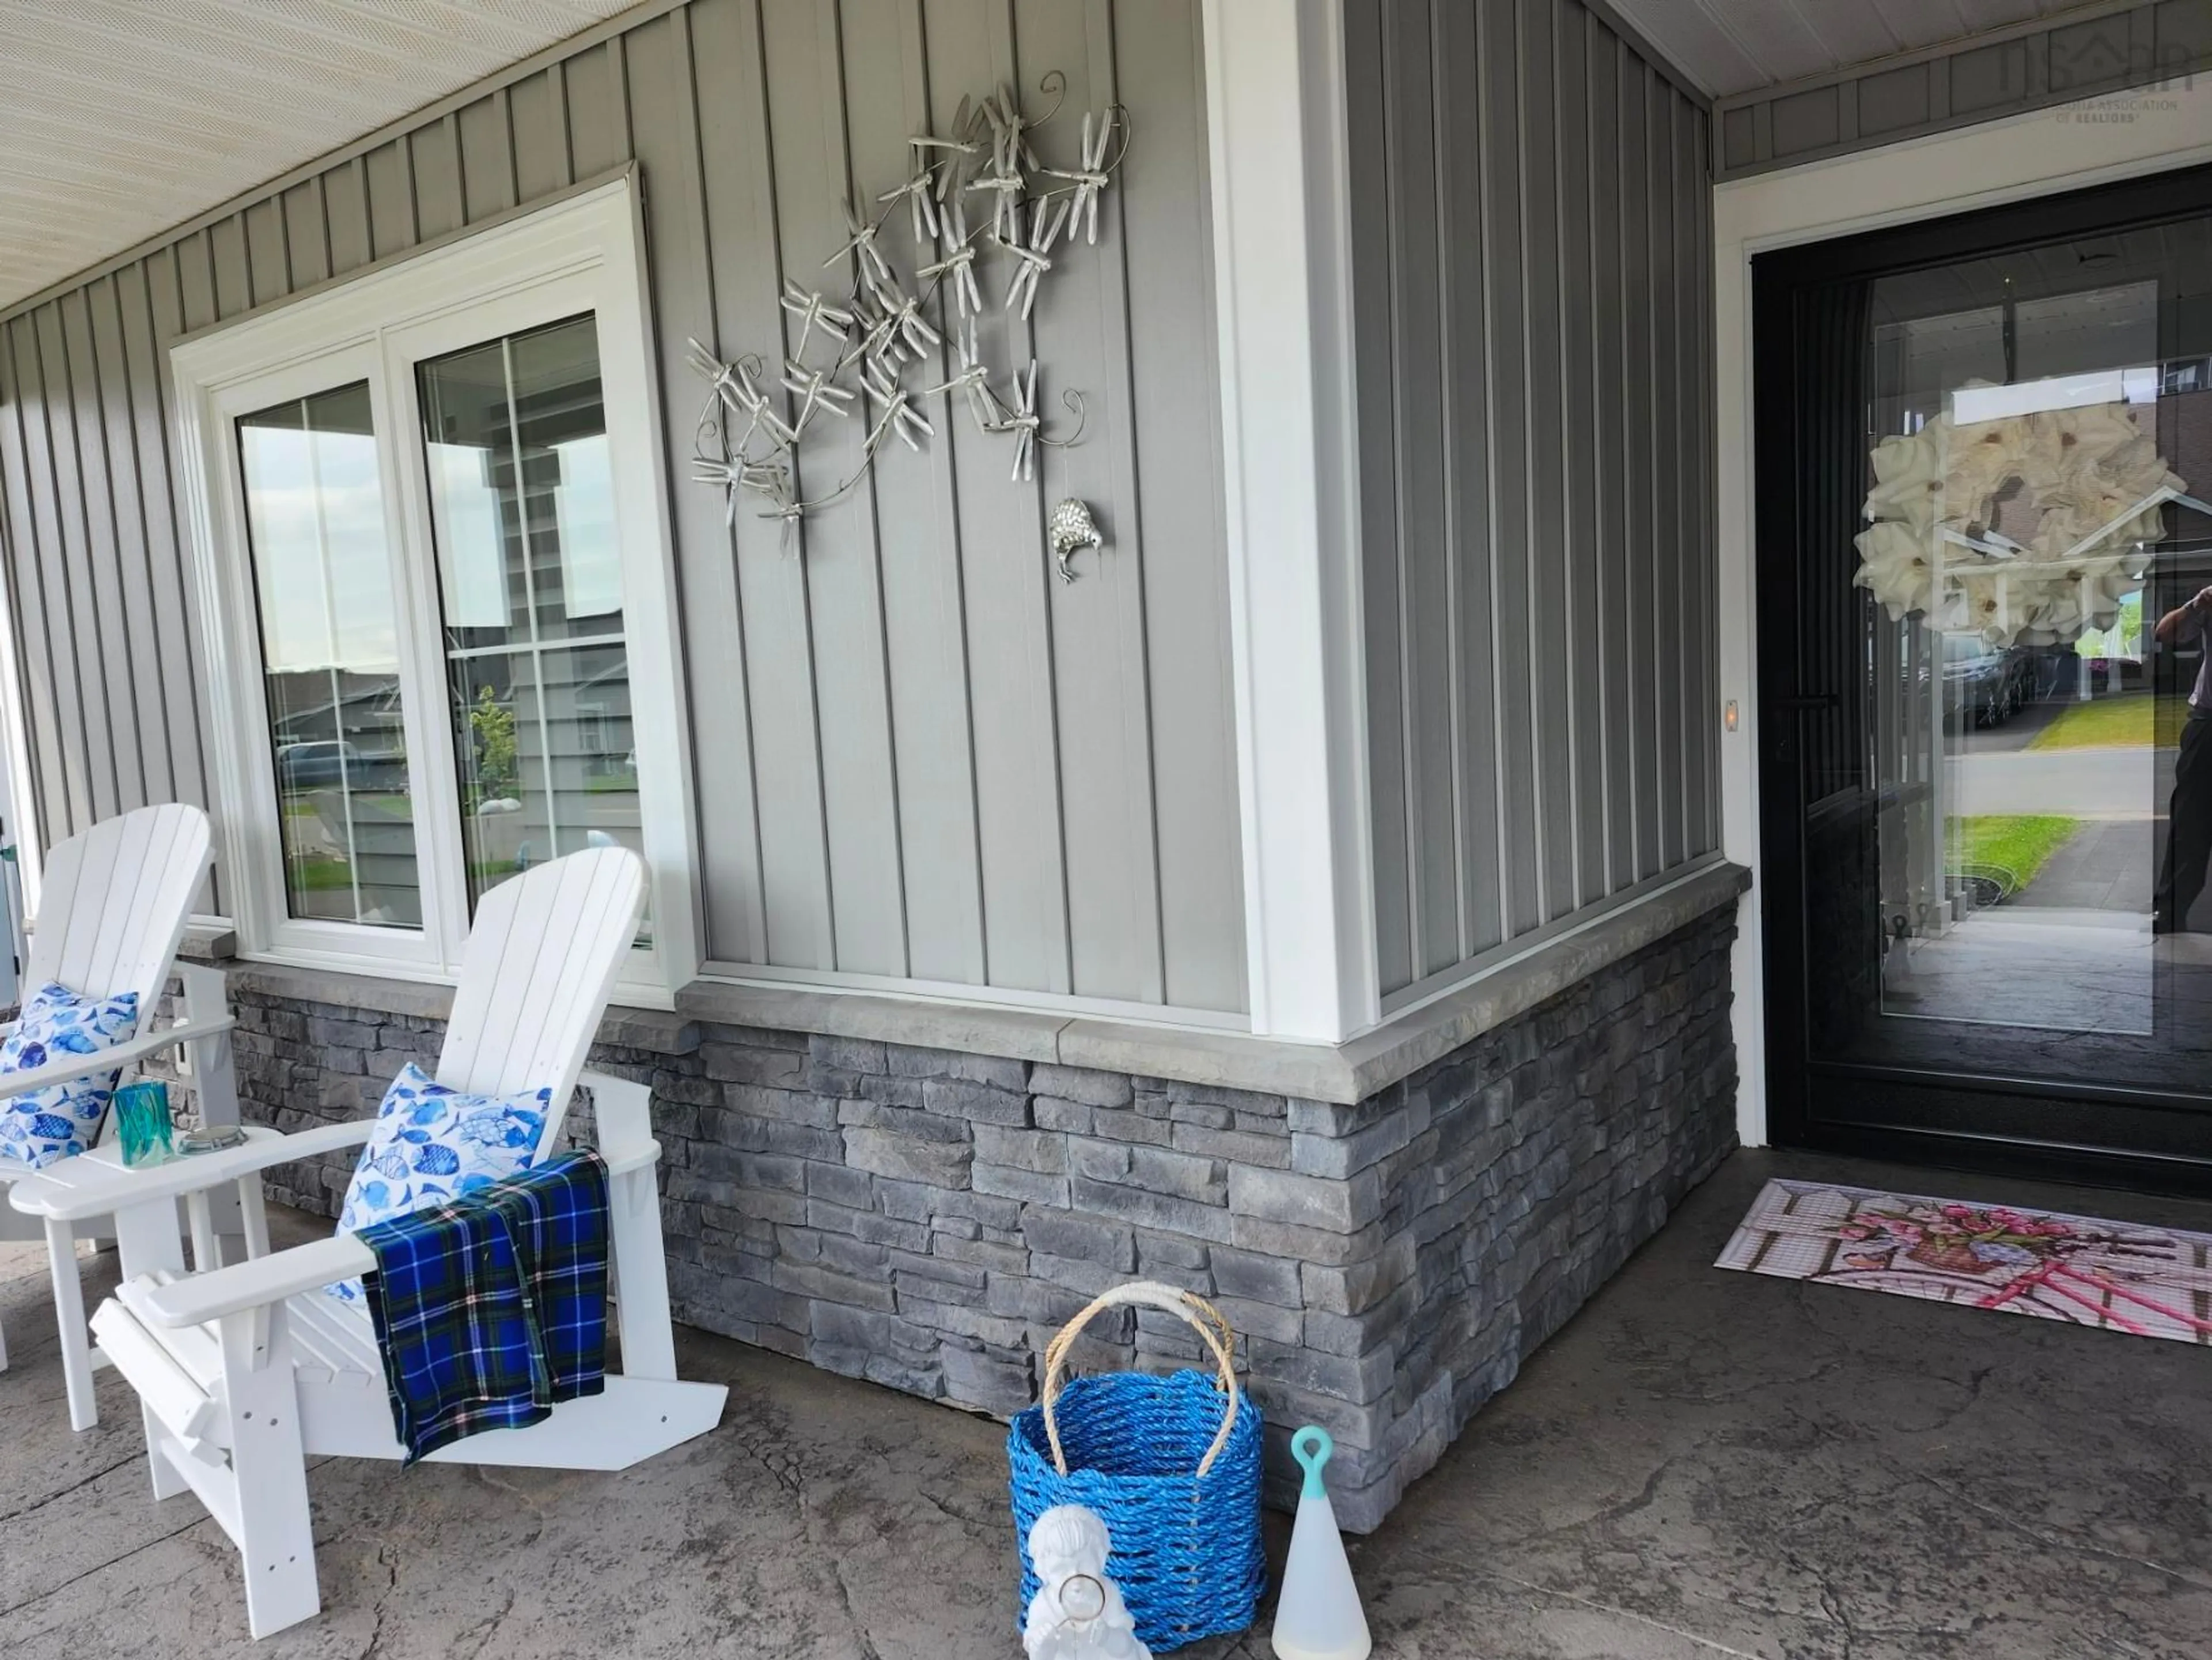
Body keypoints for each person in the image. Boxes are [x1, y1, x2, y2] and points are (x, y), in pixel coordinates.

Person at [2153, 582, 2212, 932]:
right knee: (2190, 823)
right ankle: (2170, 914)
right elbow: (2166, 634)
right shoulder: (2208, 602)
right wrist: (2197, 604)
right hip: (2208, 727)